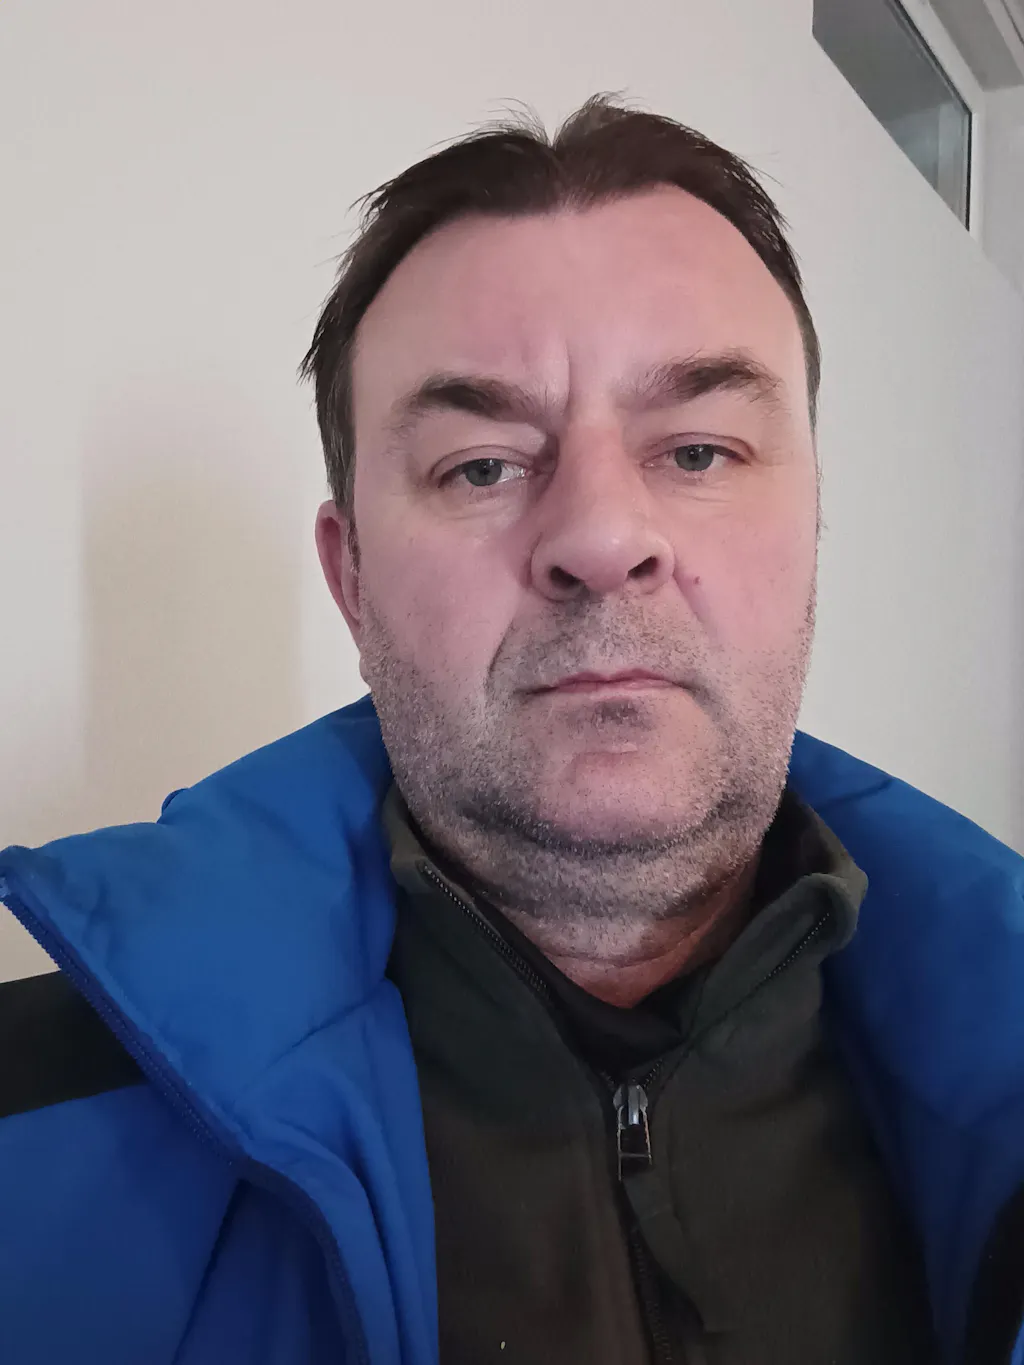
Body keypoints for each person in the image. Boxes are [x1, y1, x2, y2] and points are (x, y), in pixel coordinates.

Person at [1, 92, 1022, 1365]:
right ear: (353, 579)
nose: (599, 537)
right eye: (480, 465)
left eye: (698, 452)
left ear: (812, 528)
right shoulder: (28, 1136)